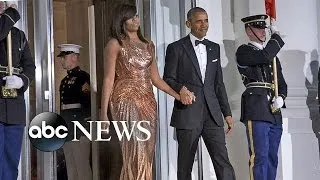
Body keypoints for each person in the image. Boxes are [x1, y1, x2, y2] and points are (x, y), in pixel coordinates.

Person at [100, 4, 183, 180]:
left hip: (148, 99)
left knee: (147, 149)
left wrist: (178, 96)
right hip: (125, 98)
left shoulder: (148, 44)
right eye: (131, 17)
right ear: (122, 20)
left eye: (137, 16)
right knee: (134, 150)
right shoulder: (115, 44)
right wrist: (103, 113)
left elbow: (156, 79)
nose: (136, 20)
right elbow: (108, 79)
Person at [163, 7, 236, 180]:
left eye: (206, 20)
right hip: (188, 113)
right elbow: (168, 78)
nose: (204, 25)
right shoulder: (176, 48)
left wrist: (227, 113)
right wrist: (181, 89)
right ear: (188, 23)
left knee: (223, 162)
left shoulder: (214, 48)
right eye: (199, 21)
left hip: (213, 114)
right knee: (185, 166)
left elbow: (218, 83)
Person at [235, 14, 287, 180]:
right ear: (249, 31)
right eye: (258, 28)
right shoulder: (244, 51)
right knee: (259, 157)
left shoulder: (273, 58)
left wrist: (282, 98)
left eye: (264, 28)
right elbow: (264, 56)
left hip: (274, 112)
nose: (263, 31)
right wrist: (276, 37)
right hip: (257, 109)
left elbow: (282, 84)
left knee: (272, 157)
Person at [0, 2, 36, 180]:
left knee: (11, 161)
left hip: (14, 107)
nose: (1, 8)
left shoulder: (19, 36)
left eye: (3, 5)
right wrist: (11, 13)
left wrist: (21, 81)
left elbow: (30, 67)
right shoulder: (4, 28)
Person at [57, 44, 92, 180]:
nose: (62, 61)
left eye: (64, 57)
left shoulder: (83, 77)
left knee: (82, 167)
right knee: (71, 168)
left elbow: (88, 103)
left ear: (73, 57)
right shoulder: (64, 81)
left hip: (80, 126)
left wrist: (86, 126)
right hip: (68, 126)